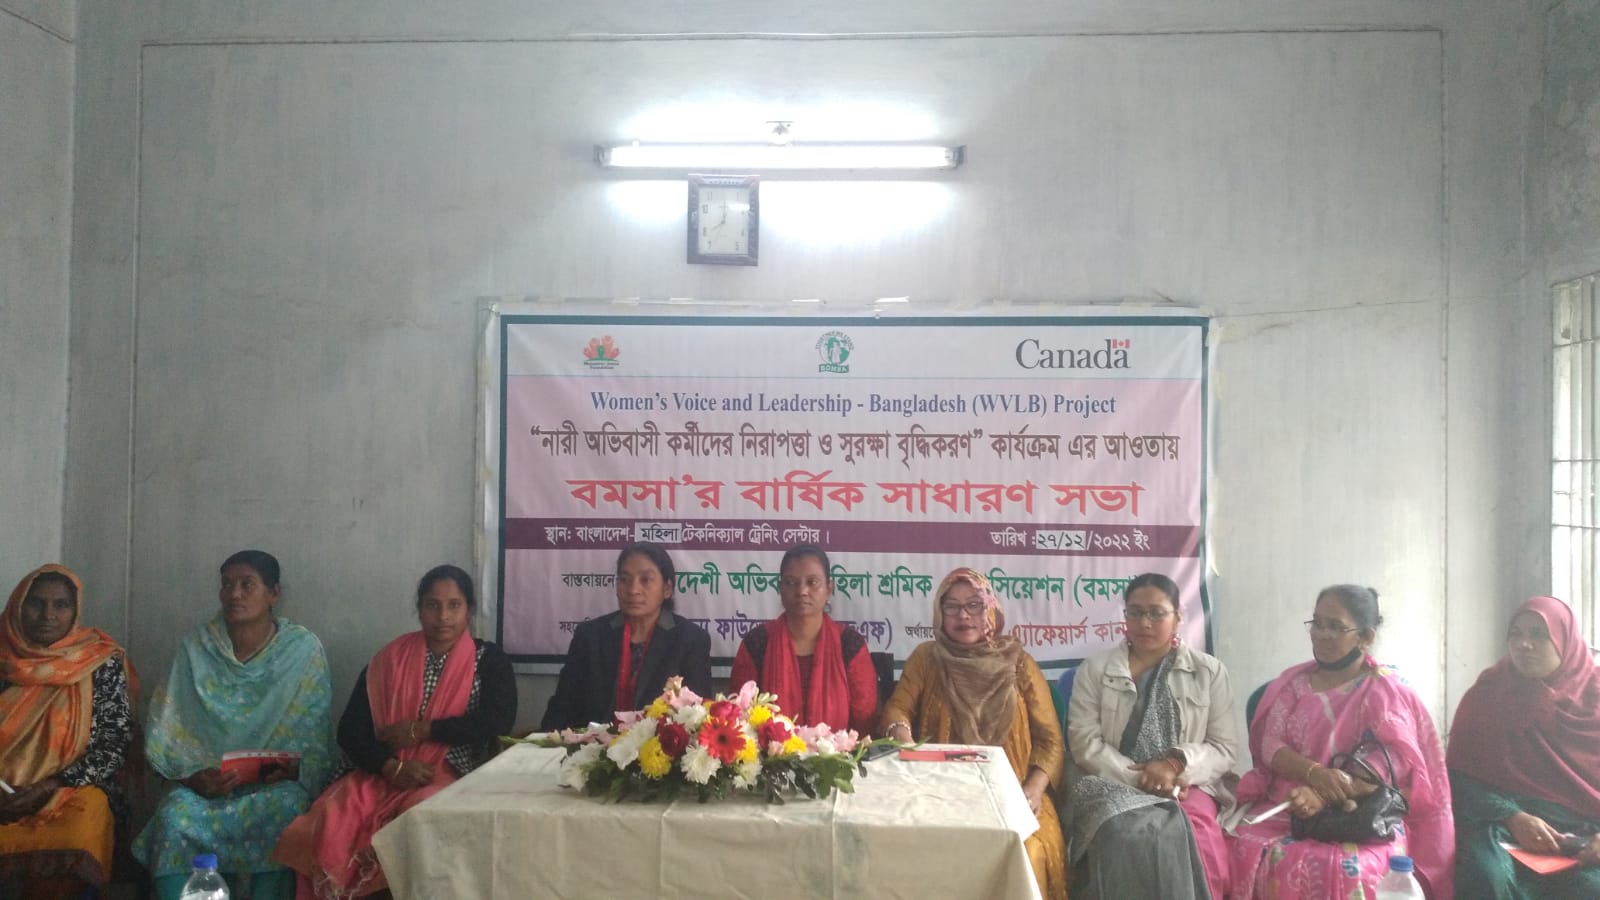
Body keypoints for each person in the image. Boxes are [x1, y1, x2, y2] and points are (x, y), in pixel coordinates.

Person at [274, 564, 516, 899]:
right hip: (382, 772)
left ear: (470, 610)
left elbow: (497, 720)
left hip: (451, 772)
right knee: (332, 816)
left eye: (454, 605)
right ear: (419, 609)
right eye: (432, 605)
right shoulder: (390, 660)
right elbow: (351, 731)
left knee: (421, 815)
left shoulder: (487, 660)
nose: (443, 616)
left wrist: (424, 730)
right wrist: (390, 767)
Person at [1225, 584, 1453, 899]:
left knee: (1347, 866)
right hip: (1287, 803)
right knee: (1245, 845)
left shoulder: (1385, 691)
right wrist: (1314, 774)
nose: (1321, 635)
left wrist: (1325, 794)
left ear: (1366, 637)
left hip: (1364, 811)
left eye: (1335, 627)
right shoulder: (1294, 685)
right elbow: (1271, 746)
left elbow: (1392, 764)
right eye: (1317, 623)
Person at [134, 550, 333, 900]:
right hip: (203, 787)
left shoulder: (301, 650)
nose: (234, 594)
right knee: (173, 815)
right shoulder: (196, 648)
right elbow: (167, 734)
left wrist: (287, 769)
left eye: (247, 585)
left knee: (289, 810)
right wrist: (194, 778)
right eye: (226, 585)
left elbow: (314, 741)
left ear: (273, 593)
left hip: (272, 789)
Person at [881, 568, 1068, 900]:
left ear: (991, 610)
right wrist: (906, 741)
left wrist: (1033, 791)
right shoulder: (927, 658)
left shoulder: (1018, 663)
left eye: (974, 605)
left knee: (1027, 850)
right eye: (952, 606)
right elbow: (897, 709)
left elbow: (1051, 741)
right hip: (938, 789)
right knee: (928, 847)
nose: (963, 616)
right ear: (940, 613)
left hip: (1014, 792)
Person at [1067, 573, 1238, 900]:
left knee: (1195, 837)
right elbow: (1084, 742)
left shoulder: (1209, 671)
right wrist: (1144, 778)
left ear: (1178, 616)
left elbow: (1223, 748)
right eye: (1135, 612)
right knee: (1123, 833)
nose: (1144, 623)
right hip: (1109, 780)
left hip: (1188, 784)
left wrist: (1175, 765)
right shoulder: (1096, 669)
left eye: (1157, 613)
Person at [1448, 595, 1600, 899]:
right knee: (1486, 875)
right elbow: (1456, 779)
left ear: (1565, 639)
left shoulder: (1594, 699)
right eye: (1516, 634)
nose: (1524, 645)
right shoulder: (1489, 694)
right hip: (1502, 825)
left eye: (1539, 635)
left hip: (1584, 834)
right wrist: (1513, 817)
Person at [0, 565, 134, 900]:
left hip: (72, 787)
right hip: (3, 787)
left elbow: (113, 745)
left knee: (80, 827)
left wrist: (50, 785)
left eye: (61, 605)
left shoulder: (98, 661)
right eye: (36, 603)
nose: (48, 615)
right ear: (17, 605)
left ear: (75, 611)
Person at [541, 542, 712, 728]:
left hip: (655, 743)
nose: (633, 590)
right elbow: (561, 708)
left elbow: (697, 716)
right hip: (590, 742)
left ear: (667, 589)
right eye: (624, 580)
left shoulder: (690, 640)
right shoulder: (590, 636)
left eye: (645, 580)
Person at [728, 545, 878, 735]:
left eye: (812, 582)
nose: (802, 591)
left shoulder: (850, 644)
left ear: (829, 588)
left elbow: (864, 723)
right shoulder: (757, 642)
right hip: (769, 753)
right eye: (791, 582)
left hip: (841, 752)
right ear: (780, 588)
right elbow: (739, 717)